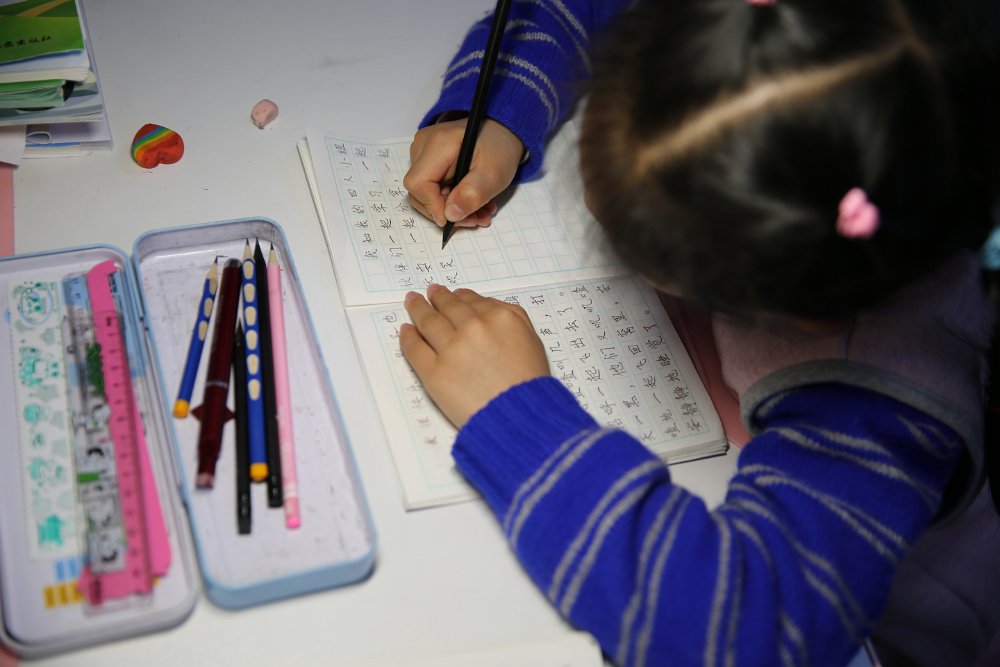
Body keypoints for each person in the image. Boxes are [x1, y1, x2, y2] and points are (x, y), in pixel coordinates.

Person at [401, 1, 1000, 665]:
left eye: (642, 243)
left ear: (786, 302)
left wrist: (515, 413)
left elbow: (739, 633)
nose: (598, 214)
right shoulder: (809, 40)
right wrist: (500, 111)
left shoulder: (878, 400)